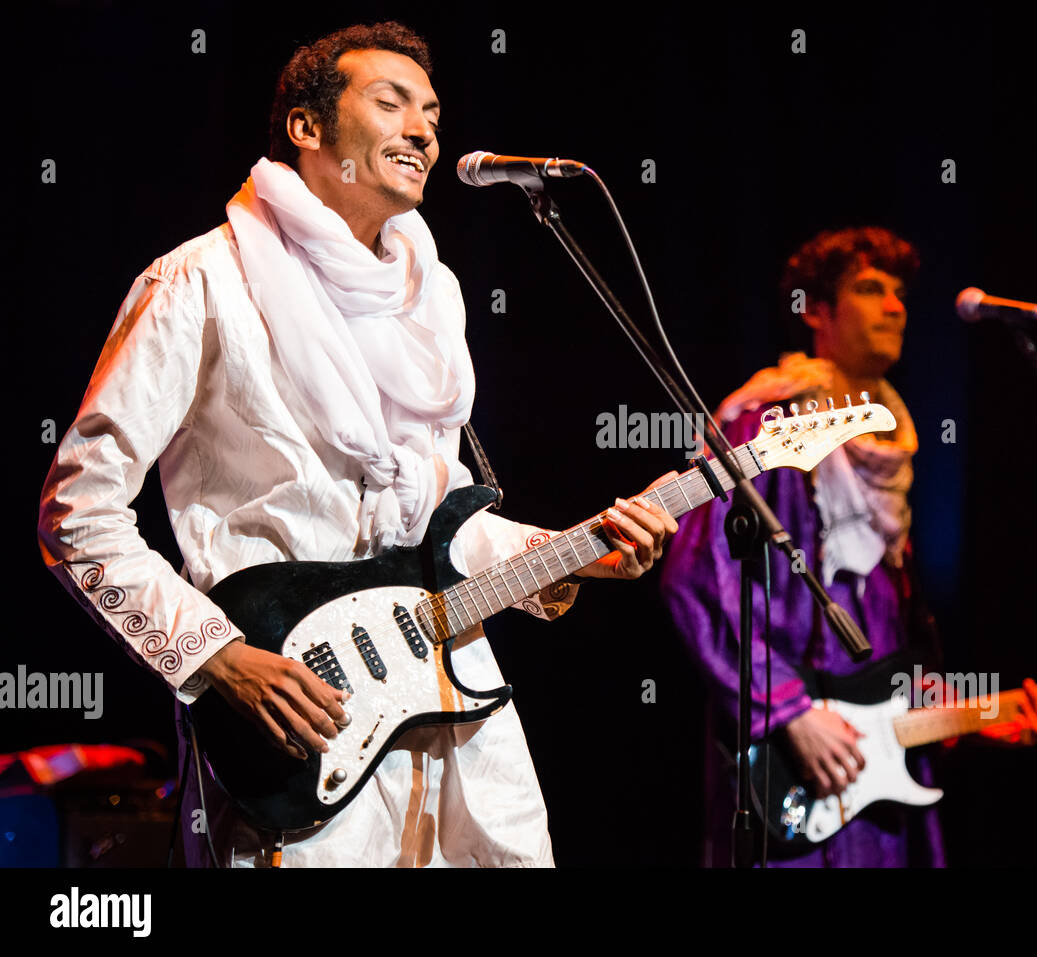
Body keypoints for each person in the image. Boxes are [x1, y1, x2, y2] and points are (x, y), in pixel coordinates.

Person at [36, 22, 676, 868]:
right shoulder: (200, 282)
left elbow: (441, 523)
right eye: (392, 103)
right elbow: (79, 514)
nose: (424, 130)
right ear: (307, 129)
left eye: (434, 113)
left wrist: (574, 553)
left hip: (461, 715)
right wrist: (217, 655)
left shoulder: (431, 299)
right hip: (297, 720)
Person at [660, 226, 1037, 867]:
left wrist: (967, 718)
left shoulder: (890, 447)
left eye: (900, 292)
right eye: (871, 289)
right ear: (815, 311)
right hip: (793, 766)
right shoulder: (768, 423)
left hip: (879, 780)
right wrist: (784, 710)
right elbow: (696, 578)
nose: (896, 306)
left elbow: (886, 635)